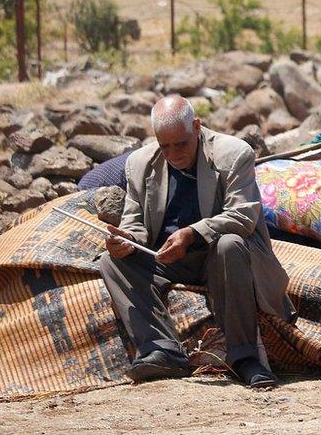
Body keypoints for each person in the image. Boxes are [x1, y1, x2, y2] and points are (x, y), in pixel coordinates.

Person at [100, 96, 295, 389]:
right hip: (169, 258)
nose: (173, 154)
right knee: (110, 260)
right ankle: (162, 349)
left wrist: (191, 234)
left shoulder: (233, 154)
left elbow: (243, 216)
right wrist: (126, 239)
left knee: (229, 244)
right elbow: (134, 221)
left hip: (220, 257)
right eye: (165, 146)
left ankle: (244, 357)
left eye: (181, 144)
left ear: (197, 126)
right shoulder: (140, 164)